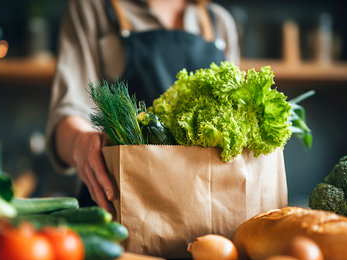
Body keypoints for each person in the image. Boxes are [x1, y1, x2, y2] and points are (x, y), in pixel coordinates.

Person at [45, 0, 240, 215]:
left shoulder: (218, 22)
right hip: (120, 204)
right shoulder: (93, 8)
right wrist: (82, 142)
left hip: (204, 209)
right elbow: (68, 112)